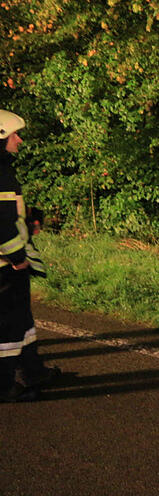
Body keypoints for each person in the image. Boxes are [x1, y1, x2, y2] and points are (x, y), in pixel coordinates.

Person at [0, 109, 56, 402]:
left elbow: (10, 215)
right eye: (14, 135)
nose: (19, 139)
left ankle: (32, 371)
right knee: (8, 329)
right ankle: (5, 385)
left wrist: (30, 218)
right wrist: (17, 256)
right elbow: (0, 224)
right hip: (6, 266)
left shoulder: (4, 169)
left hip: (10, 265)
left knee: (22, 322)